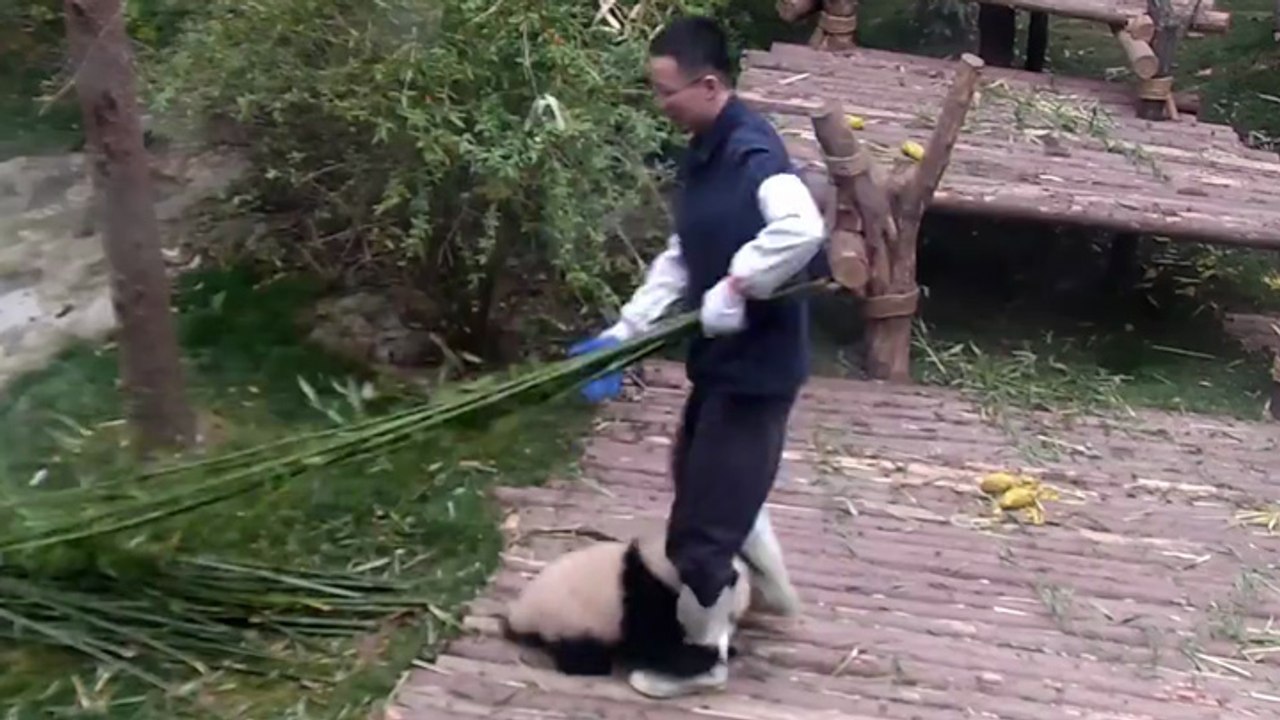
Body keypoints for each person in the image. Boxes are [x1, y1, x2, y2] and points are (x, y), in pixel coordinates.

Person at [569, 15, 827, 698]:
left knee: (701, 528)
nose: (661, 105)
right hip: (720, 361)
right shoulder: (705, 150)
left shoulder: (751, 153)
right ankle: (768, 587)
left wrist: (741, 282)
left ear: (709, 85)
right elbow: (684, 251)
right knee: (697, 472)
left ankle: (702, 657)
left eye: (667, 92)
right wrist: (627, 331)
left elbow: (802, 229)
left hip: (757, 370)